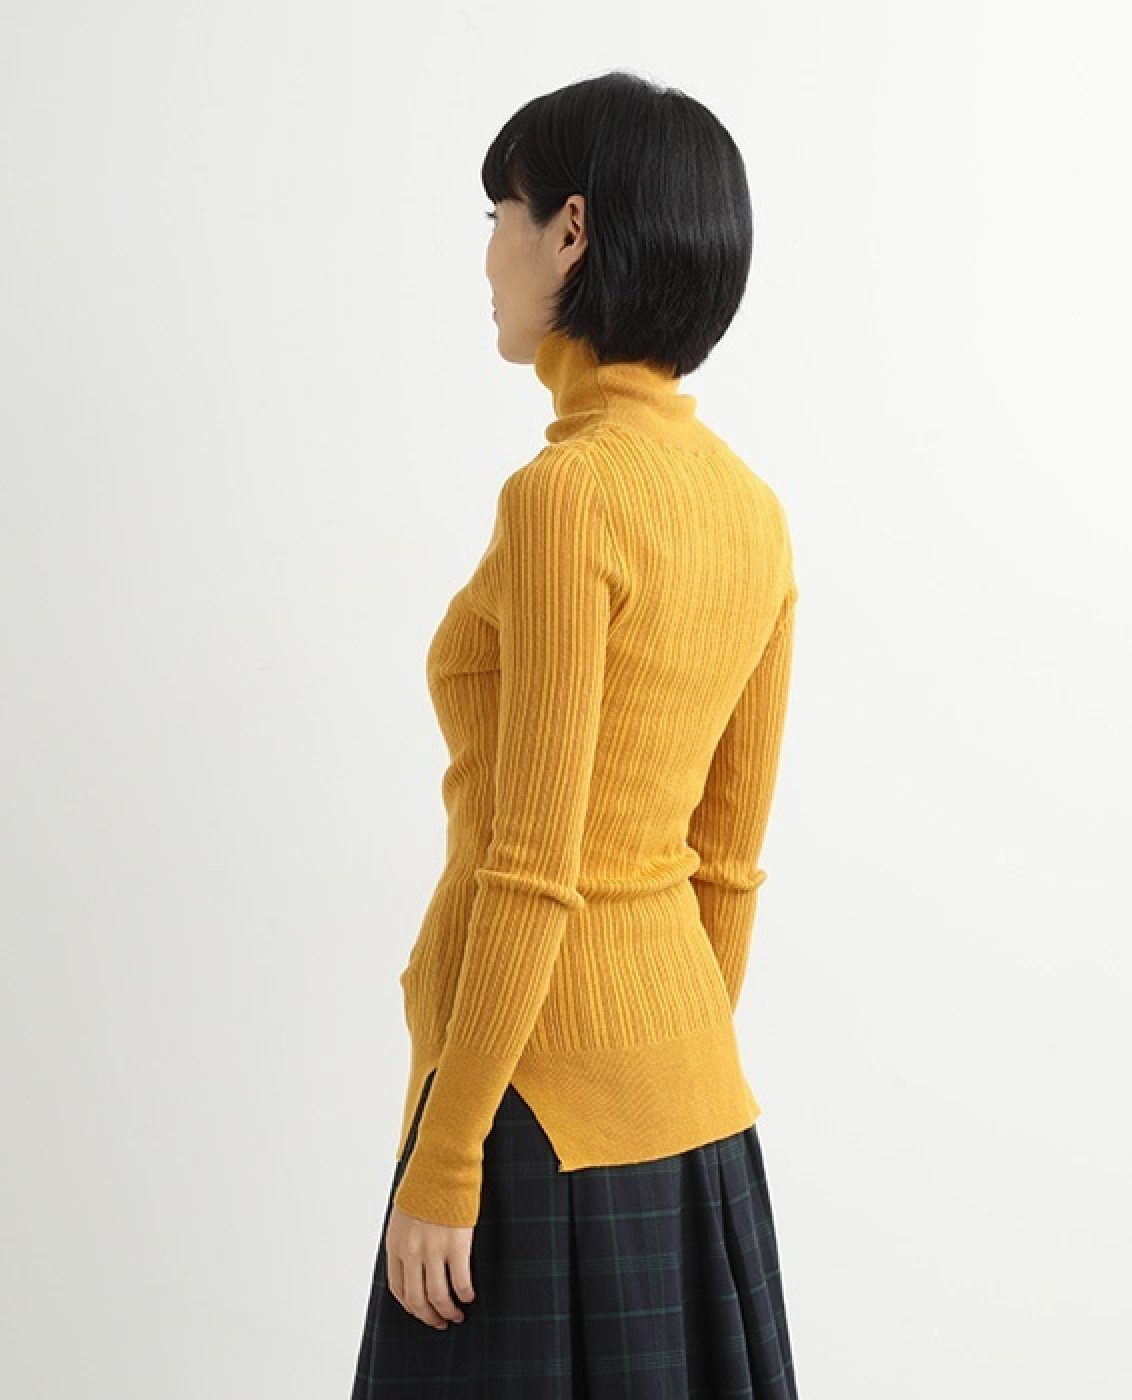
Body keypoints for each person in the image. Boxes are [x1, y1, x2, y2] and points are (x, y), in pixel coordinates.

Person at [351, 68, 801, 1397]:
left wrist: (448, 1157)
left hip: (528, 1108)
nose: (487, 253)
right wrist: (660, 1075)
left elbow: (533, 865)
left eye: (502, 212)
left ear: (572, 232)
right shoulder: (752, 512)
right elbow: (727, 866)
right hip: (695, 1114)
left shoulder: (568, 497)